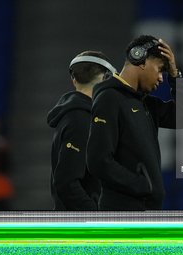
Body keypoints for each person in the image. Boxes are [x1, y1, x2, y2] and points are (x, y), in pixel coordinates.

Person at [86, 35, 183, 210]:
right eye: (160, 69)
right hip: (124, 215)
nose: (161, 78)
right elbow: (98, 160)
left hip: (144, 211)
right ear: (140, 59)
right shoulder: (109, 98)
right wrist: (144, 186)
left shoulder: (146, 104)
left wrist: (176, 76)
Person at [47, 50, 116, 210]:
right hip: (80, 228)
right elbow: (66, 182)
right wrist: (95, 217)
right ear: (105, 79)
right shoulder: (80, 120)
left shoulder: (81, 117)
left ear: (74, 81)